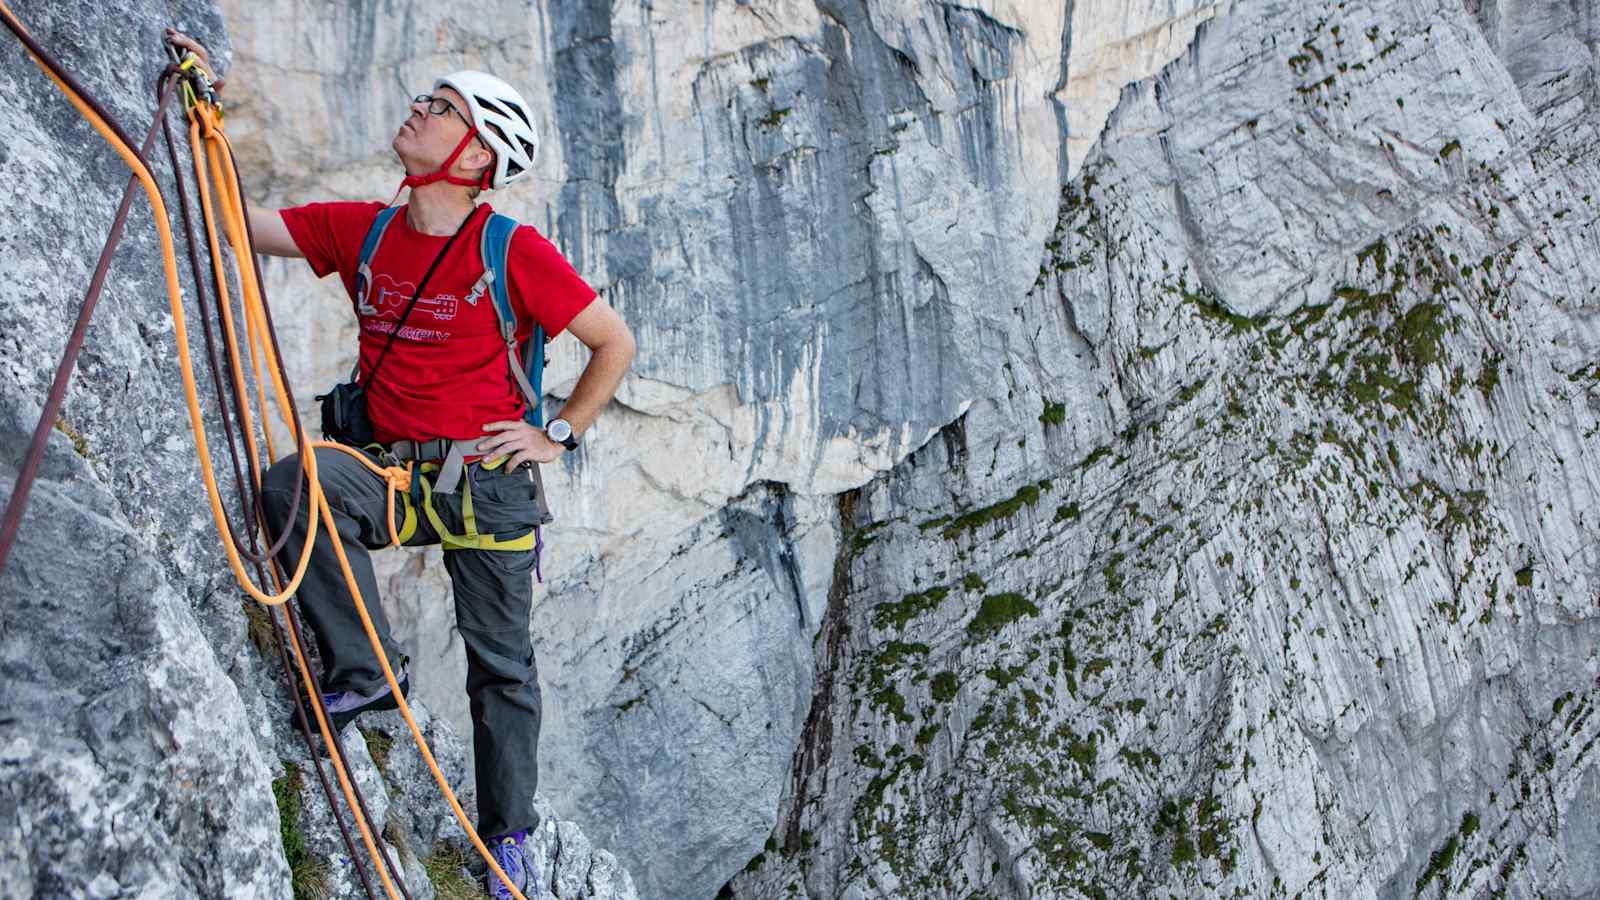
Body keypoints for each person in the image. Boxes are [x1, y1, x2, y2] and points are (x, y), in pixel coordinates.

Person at [166, 31, 635, 900]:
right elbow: (234, 221)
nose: (419, 109)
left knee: (502, 671)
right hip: (390, 475)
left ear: (476, 154)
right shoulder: (365, 231)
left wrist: (558, 434)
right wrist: (205, 107)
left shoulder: (511, 251)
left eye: (442, 108)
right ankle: (368, 671)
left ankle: (508, 844)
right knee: (293, 482)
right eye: (428, 98)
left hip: (490, 485)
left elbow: (611, 341)